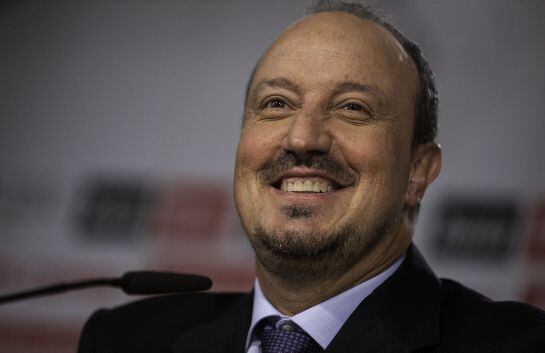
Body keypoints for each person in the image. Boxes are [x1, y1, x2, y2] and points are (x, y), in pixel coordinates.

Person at [78, 1, 545, 352]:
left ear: (418, 172)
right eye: (276, 104)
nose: (302, 138)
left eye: (352, 108)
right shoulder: (123, 339)